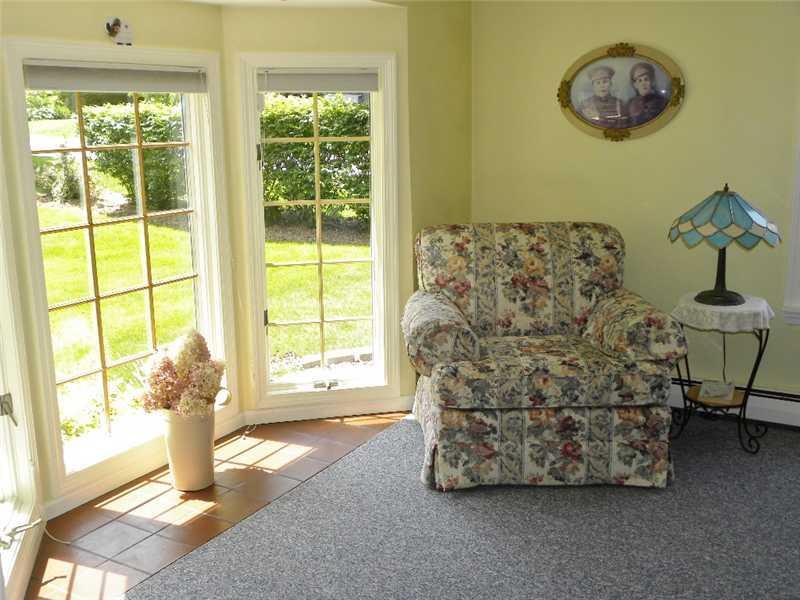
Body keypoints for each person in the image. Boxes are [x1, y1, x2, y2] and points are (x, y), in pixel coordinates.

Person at [627, 62, 669, 126]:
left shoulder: (662, 102)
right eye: (639, 80)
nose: (643, 83)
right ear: (635, 84)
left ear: (652, 81)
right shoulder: (630, 103)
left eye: (646, 79)